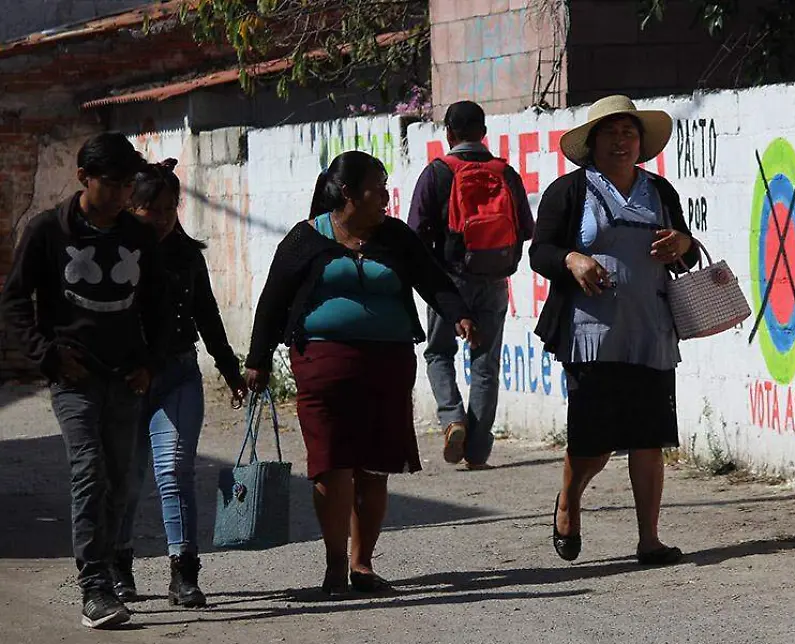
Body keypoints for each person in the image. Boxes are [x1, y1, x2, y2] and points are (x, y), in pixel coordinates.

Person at [244, 151, 477, 594]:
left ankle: (362, 564)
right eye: (376, 185)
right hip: (322, 365)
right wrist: (256, 360)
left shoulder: (396, 237)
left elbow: (433, 279)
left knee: (374, 467)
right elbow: (273, 299)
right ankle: (335, 564)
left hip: (387, 365)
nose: (385, 194)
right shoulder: (305, 238)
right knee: (332, 465)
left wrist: (459, 314)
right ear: (348, 192)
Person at [0, 133, 168, 628]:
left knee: (119, 479)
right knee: (89, 470)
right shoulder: (48, 232)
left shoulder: (138, 239)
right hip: (73, 377)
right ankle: (94, 587)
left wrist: (151, 361)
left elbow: (160, 304)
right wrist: (45, 356)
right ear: (84, 179)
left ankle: (115, 561)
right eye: (110, 184)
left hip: (126, 377)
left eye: (126, 184)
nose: (119, 195)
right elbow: (13, 300)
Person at [529, 95, 700, 566]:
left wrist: (683, 243)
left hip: (650, 331)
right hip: (591, 334)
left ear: (641, 143)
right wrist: (571, 259)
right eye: (611, 133)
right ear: (592, 143)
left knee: (649, 438)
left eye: (629, 133)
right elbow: (540, 251)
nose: (621, 141)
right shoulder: (569, 192)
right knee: (594, 441)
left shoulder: (660, 192)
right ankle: (569, 498)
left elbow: (687, 252)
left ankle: (649, 538)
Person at [112, 159, 248, 609]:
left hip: (177, 374)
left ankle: (184, 572)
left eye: (171, 208)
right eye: (153, 209)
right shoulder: (114, 254)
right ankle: (118, 564)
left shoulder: (187, 256)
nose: (163, 218)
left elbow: (206, 313)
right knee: (126, 478)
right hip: (125, 379)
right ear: (132, 207)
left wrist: (230, 369)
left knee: (174, 470)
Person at [407, 100, 535, 470]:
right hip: (495, 280)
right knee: (485, 363)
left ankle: (452, 420)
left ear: (448, 133)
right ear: (484, 132)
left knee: (438, 353)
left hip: (449, 281)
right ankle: (477, 451)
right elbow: (526, 228)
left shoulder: (437, 173)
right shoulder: (505, 173)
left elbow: (415, 233)